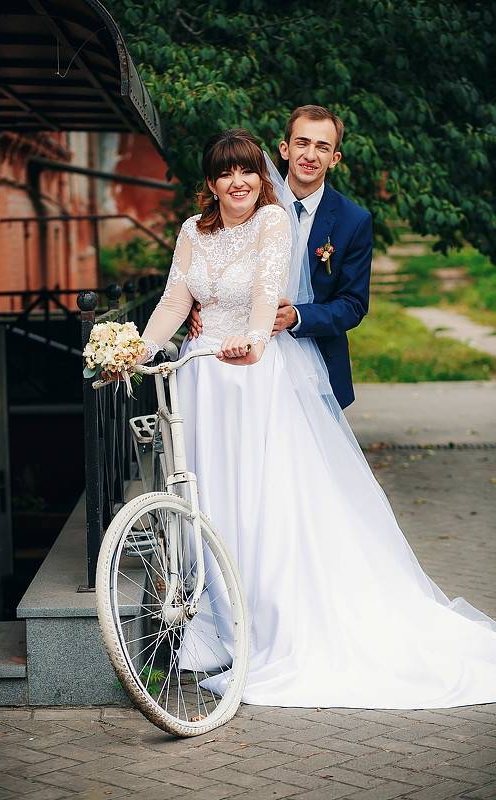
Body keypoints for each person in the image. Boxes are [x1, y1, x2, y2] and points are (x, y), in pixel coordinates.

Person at [136, 128, 496, 709]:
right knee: (211, 496)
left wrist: (255, 340)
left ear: (263, 175)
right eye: (225, 173)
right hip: (202, 379)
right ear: (211, 183)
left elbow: (267, 293)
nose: (237, 182)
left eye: (246, 172)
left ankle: (269, 624)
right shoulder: (191, 232)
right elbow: (177, 299)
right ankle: (220, 623)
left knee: (262, 499)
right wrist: (138, 349)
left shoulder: (275, 222)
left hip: (253, 374)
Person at [187, 105, 372, 409]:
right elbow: (209, 256)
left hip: (314, 363)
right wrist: (199, 304)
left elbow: (353, 304)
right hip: (236, 356)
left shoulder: (354, 221)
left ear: (335, 158)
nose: (310, 155)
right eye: (302, 143)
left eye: (322, 147)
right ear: (285, 149)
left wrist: (297, 316)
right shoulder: (244, 197)